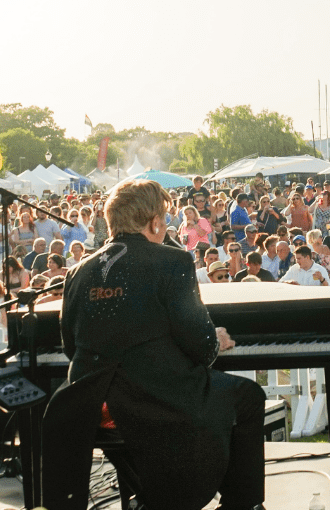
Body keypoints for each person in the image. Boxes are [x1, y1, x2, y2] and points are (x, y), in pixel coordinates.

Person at [51, 178, 265, 510]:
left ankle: (152, 494)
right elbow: (202, 349)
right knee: (250, 397)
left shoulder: (79, 271)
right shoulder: (172, 262)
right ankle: (240, 504)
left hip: (93, 405)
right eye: (164, 220)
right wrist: (216, 338)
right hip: (156, 403)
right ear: (154, 222)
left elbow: (70, 347)